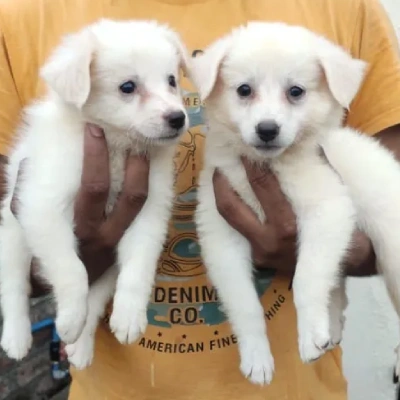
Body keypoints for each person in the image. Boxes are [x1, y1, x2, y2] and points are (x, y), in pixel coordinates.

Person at [0, 0, 399, 398]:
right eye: (243, 91)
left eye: (174, 82)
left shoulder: (346, 9)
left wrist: (317, 260)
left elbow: (387, 212)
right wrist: (68, 264)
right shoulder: (21, 19)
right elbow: (13, 229)